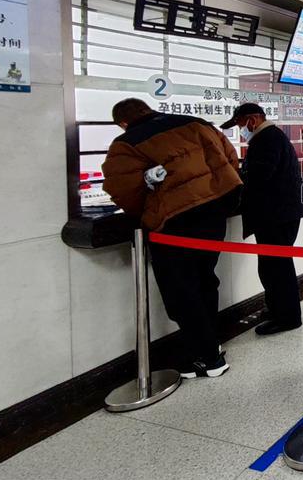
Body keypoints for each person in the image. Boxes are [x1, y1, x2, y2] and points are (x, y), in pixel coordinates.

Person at [102, 98, 241, 379]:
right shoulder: (198, 125)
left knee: (182, 291)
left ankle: (207, 358)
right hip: (213, 215)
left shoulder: (126, 144)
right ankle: (211, 344)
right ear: (148, 109)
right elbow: (231, 160)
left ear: (123, 122)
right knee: (205, 280)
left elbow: (122, 189)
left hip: (174, 224)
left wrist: (148, 188)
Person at [221, 103, 303, 336]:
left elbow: (259, 177)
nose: (240, 130)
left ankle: (288, 318)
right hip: (281, 212)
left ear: (252, 120)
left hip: (276, 214)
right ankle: (277, 309)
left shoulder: (266, 139)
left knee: (276, 267)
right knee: (272, 266)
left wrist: (233, 179)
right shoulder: (270, 136)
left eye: (240, 124)